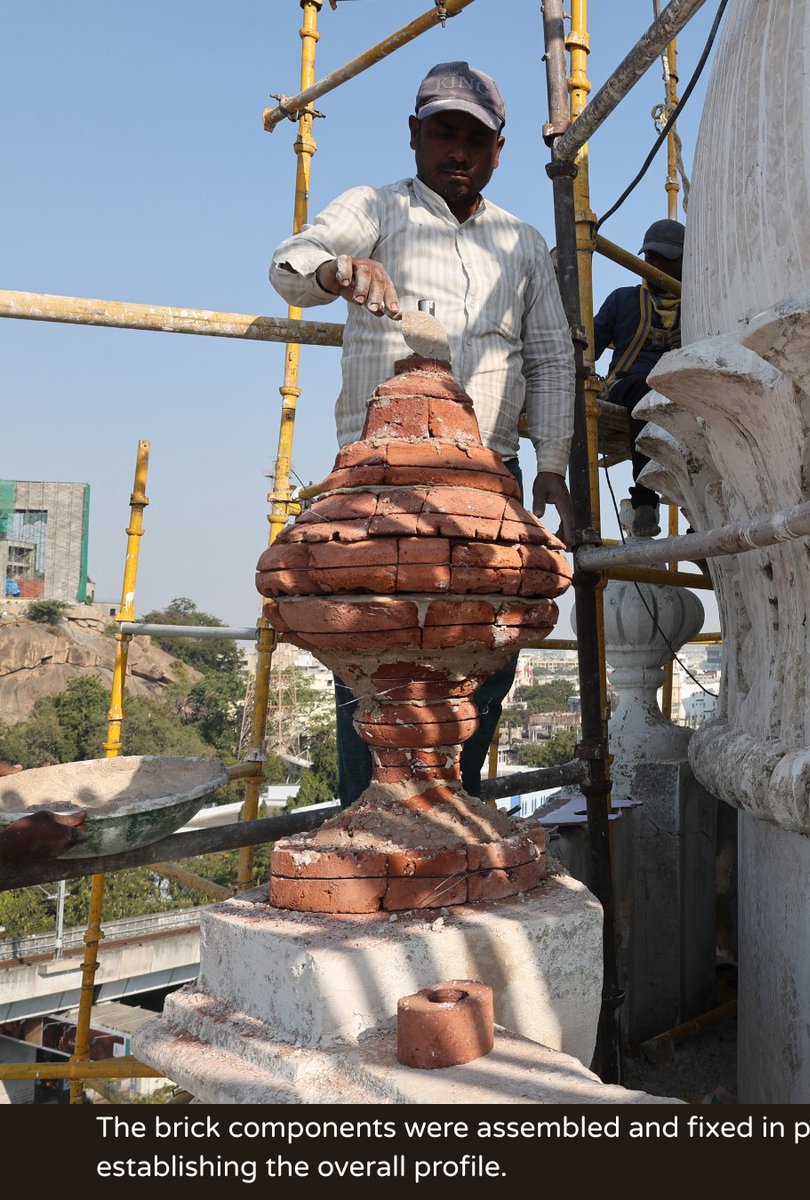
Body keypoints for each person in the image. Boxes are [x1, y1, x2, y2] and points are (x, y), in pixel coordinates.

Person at [269, 61, 575, 807]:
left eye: (475, 138)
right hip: (383, 490)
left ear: (499, 152)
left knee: (480, 669)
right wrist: (340, 271)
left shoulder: (522, 242)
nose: (458, 151)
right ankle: (369, 834)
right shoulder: (377, 208)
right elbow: (290, 263)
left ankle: (454, 833)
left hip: (484, 486)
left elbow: (552, 360)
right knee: (378, 671)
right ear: (415, 135)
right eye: (445, 131)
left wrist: (554, 466)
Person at [593, 218, 684, 537]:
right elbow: (587, 347)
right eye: (650, 257)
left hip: (678, 393)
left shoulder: (696, 306)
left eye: (666, 259)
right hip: (627, 388)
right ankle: (645, 499)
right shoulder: (623, 299)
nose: (655, 265)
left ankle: (699, 524)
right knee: (646, 385)